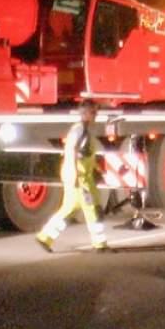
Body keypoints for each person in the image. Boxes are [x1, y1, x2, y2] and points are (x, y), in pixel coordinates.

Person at [36, 100, 112, 252]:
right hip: (79, 178)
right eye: (93, 112)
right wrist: (74, 174)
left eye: (96, 112)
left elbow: (86, 155)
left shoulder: (85, 130)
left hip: (84, 177)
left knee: (69, 208)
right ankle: (100, 244)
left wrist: (98, 168)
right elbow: (71, 151)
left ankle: (45, 237)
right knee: (92, 209)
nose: (95, 115)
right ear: (84, 113)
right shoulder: (79, 130)